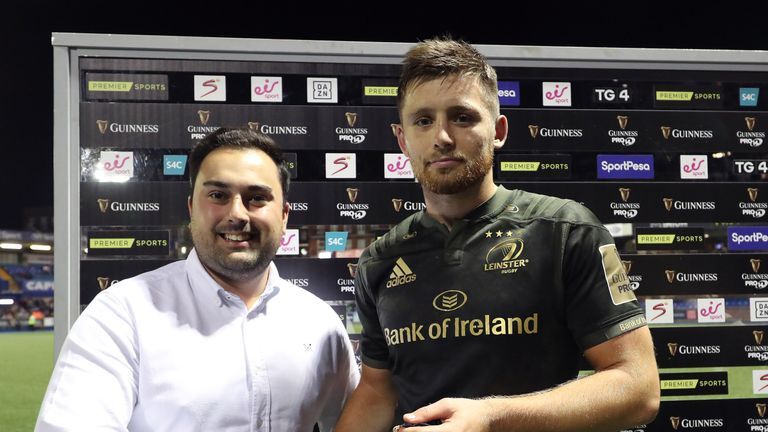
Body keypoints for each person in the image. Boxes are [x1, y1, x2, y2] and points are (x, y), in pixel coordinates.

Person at [335, 37, 659, 432]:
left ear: (498, 130)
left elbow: (638, 388)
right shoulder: (379, 261)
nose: (442, 137)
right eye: (423, 120)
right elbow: (377, 390)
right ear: (402, 139)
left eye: (462, 117)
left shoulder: (566, 230)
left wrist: (492, 417)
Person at [36, 128, 359, 431]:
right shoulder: (122, 314)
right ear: (192, 208)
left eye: (257, 197)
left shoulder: (320, 323)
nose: (237, 214)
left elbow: (360, 420)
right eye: (218, 195)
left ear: (284, 215)